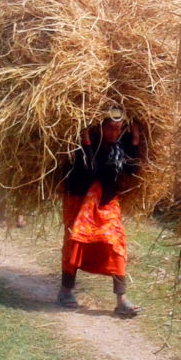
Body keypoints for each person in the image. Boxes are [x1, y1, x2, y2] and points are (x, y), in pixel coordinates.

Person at [58, 107, 142, 316]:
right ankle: (65, 290)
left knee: (116, 243)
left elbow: (131, 171)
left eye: (119, 129)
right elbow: (89, 170)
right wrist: (86, 142)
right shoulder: (85, 142)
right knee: (76, 241)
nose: (115, 133)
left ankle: (121, 300)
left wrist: (135, 142)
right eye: (111, 128)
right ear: (100, 127)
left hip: (107, 201)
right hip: (79, 197)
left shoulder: (120, 145)